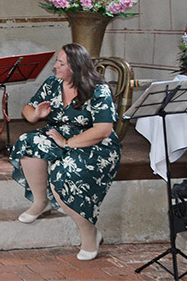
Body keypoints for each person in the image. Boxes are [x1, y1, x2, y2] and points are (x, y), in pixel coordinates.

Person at [10, 43, 121, 261]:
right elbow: (28, 108)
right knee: (27, 142)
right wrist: (35, 115)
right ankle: (41, 202)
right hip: (60, 136)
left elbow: (103, 129)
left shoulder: (98, 89)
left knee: (64, 173)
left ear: (76, 66)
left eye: (61, 63)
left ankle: (90, 233)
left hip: (95, 144)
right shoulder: (54, 83)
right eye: (57, 62)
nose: (55, 66)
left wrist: (67, 143)